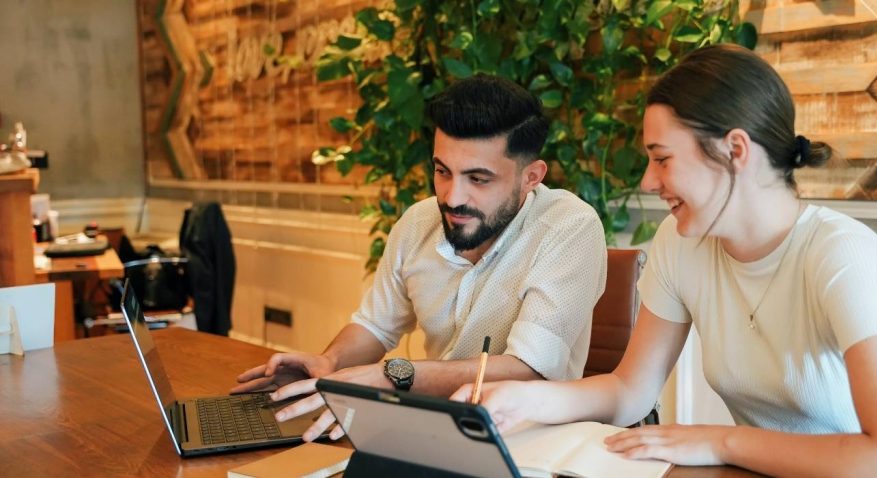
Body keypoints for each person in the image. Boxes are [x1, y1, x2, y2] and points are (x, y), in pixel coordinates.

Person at [452, 44, 877, 476]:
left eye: (662, 159)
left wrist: (720, 440)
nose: (646, 182)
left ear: (735, 150)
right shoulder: (682, 243)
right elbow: (629, 392)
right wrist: (520, 399)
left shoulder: (844, 255)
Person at [230, 74, 607, 442]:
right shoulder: (417, 223)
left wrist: (394, 375)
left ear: (531, 177)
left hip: (532, 440)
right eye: (442, 171)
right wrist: (331, 362)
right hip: (429, 431)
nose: (453, 197)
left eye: (478, 179)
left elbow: (529, 371)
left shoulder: (569, 228)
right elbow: (375, 327)